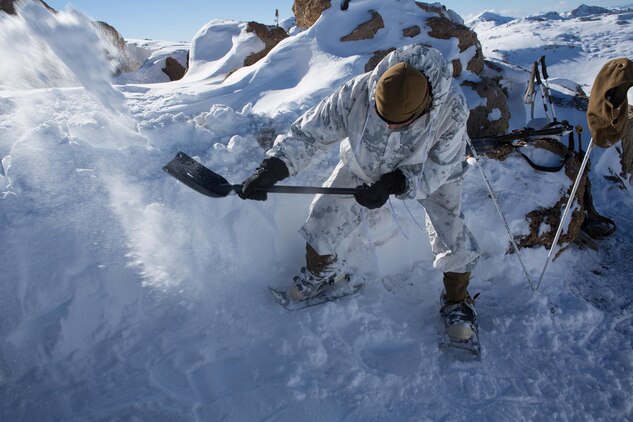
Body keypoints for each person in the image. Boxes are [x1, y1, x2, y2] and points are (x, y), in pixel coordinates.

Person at [239, 44, 480, 341]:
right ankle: (325, 272)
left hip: (432, 174)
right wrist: (273, 167)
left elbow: (440, 166)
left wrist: (395, 184)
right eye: (384, 117)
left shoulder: (451, 110)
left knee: (451, 229)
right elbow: (310, 133)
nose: (390, 125)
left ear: (424, 106)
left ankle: (457, 302)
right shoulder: (357, 93)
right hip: (365, 163)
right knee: (324, 214)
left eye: (399, 122)